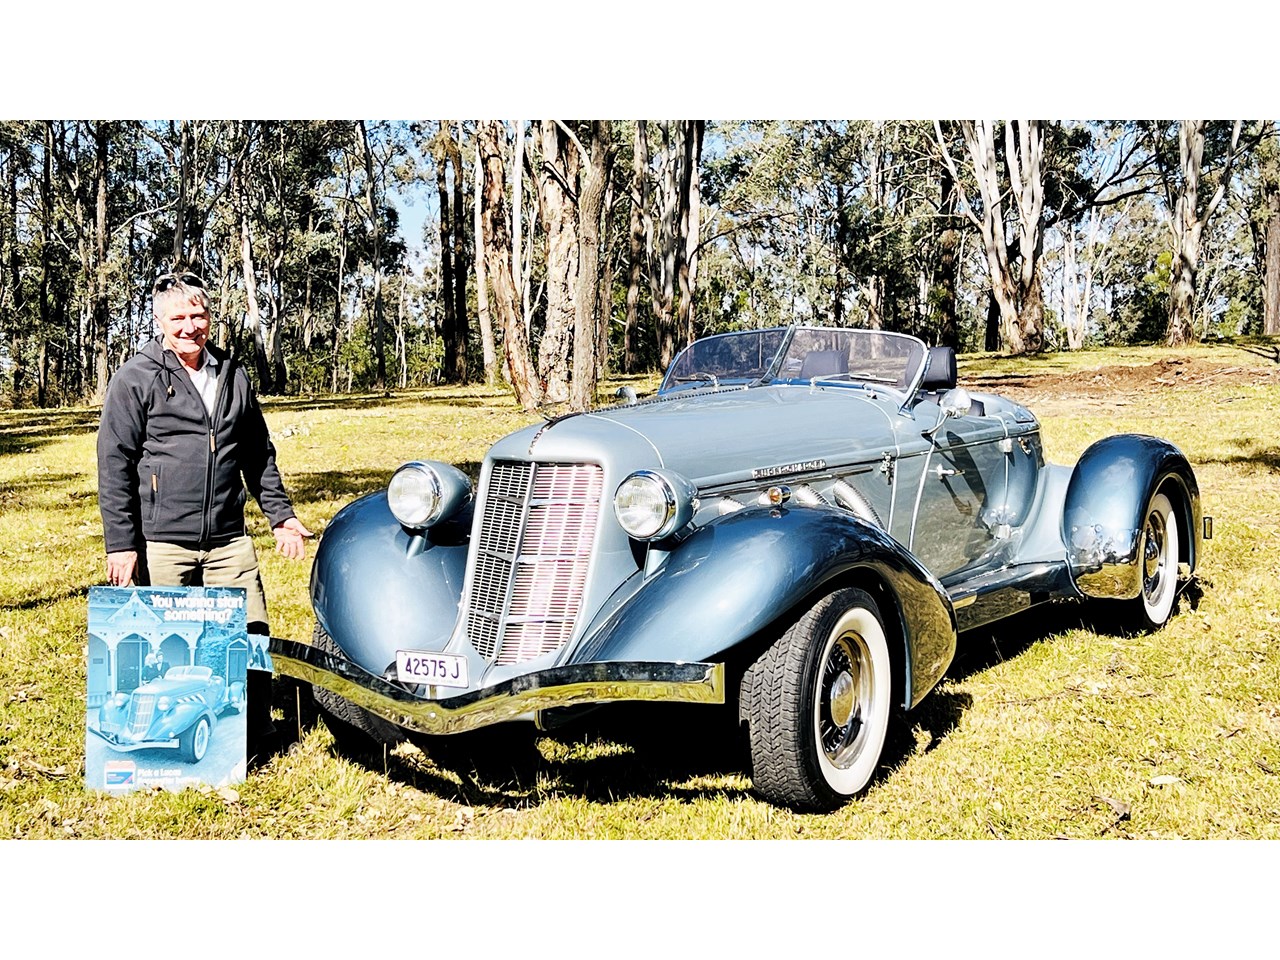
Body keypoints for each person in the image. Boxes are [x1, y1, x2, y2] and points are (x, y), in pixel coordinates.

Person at [97, 270, 311, 747]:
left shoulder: (232, 374)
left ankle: (254, 733)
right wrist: (122, 545)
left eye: (198, 315)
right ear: (159, 321)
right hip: (162, 541)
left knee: (250, 635)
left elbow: (257, 453)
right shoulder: (135, 378)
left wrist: (281, 515)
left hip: (229, 539)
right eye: (178, 318)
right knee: (166, 646)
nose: (189, 327)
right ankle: (159, 744)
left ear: (210, 317)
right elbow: (114, 464)